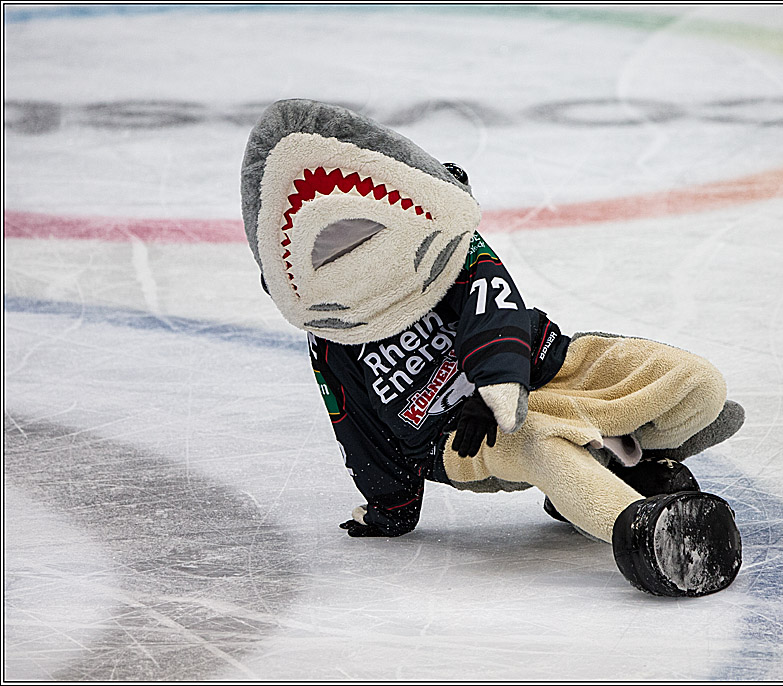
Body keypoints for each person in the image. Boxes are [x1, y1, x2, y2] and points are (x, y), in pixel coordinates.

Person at [241, 99, 744, 597]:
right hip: (461, 437)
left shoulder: (458, 252)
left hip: (545, 365)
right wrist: (389, 506)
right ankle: (640, 532)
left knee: (698, 384)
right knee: (540, 445)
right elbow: (355, 423)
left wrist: (497, 381)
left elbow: (494, 313)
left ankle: (624, 467)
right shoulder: (334, 342)